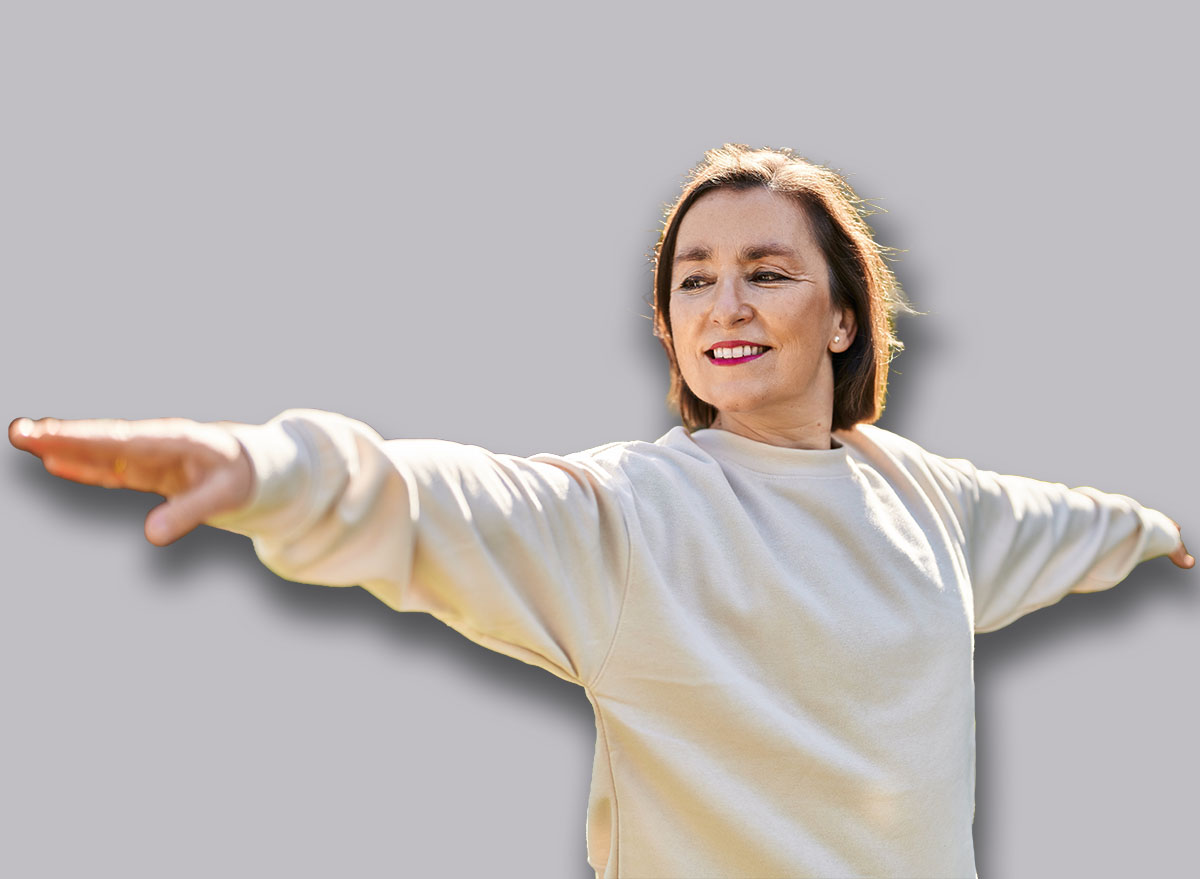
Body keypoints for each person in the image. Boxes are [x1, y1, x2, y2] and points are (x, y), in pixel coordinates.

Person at [9, 144, 1193, 879]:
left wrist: (1161, 531)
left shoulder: (923, 495)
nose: (725, 300)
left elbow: (1069, 524)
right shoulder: (632, 518)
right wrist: (271, 469)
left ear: (844, 318)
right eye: (693, 279)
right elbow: (447, 502)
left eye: (767, 270)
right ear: (671, 330)